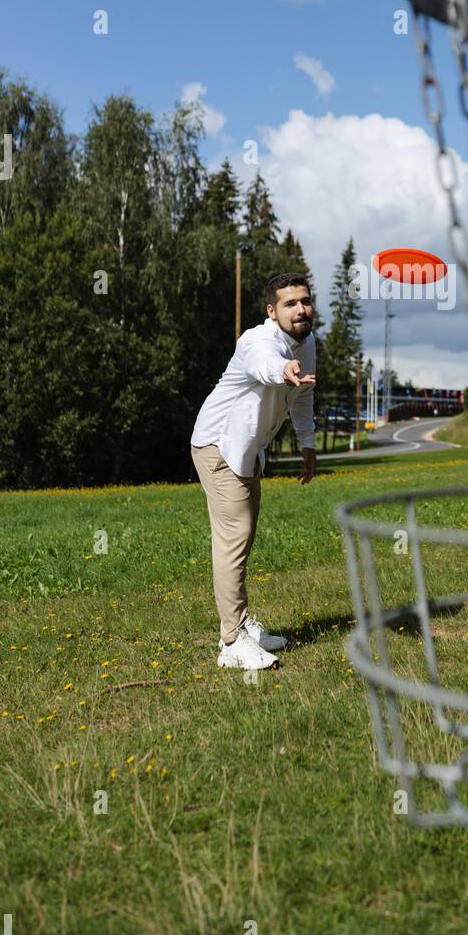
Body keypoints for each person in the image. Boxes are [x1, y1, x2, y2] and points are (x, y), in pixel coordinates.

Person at [190, 272, 317, 671]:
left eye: (305, 301)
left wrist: (307, 444)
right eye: (290, 303)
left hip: (245, 450)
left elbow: (302, 396)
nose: (300, 309)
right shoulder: (256, 341)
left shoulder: (308, 344)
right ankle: (232, 641)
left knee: (242, 538)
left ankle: (242, 626)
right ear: (271, 310)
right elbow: (266, 365)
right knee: (233, 539)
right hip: (219, 445)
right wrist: (283, 371)